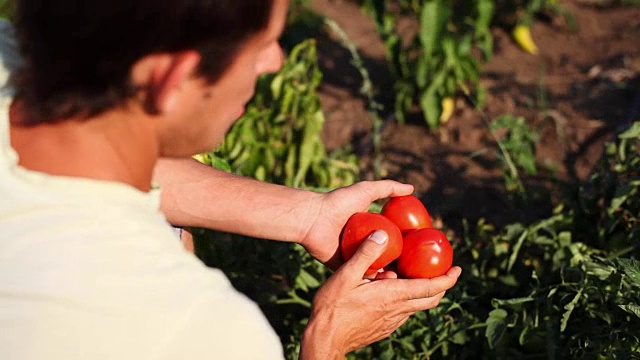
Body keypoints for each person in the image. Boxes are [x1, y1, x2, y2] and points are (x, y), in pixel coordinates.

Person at [0, 1, 461, 359]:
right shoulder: (191, 328)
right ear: (174, 79)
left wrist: (307, 216)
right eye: (261, 46)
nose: (275, 62)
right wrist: (329, 337)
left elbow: (100, 149)